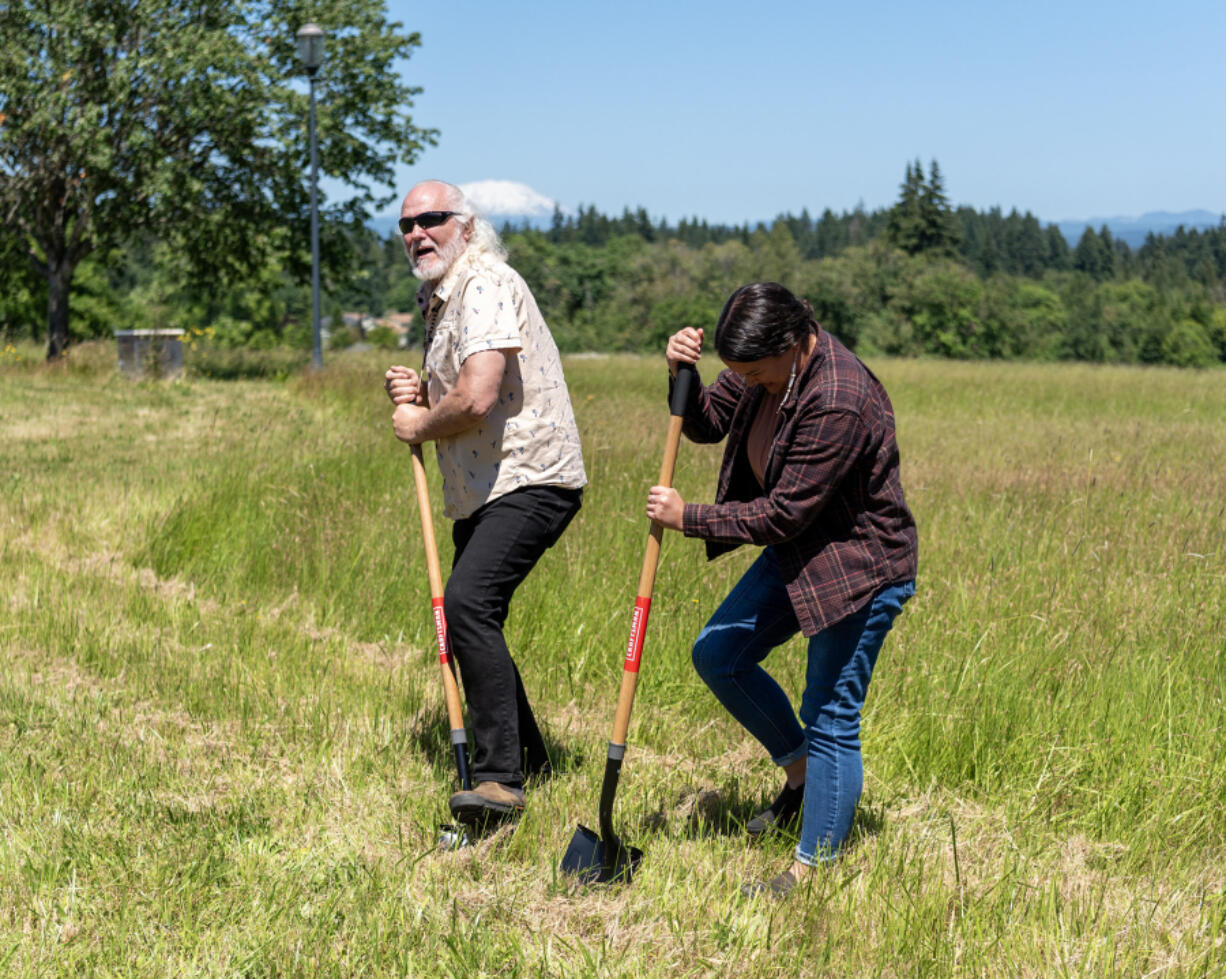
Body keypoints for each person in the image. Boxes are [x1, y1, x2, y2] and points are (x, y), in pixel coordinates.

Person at [645, 281, 917, 897]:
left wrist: (688, 517)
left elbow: (783, 514)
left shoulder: (838, 397)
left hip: (858, 567)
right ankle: (801, 778)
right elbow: (709, 424)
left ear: (794, 344)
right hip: (800, 554)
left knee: (830, 715)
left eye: (757, 375)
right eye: (737, 372)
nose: (748, 383)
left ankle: (811, 869)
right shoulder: (762, 363)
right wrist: (679, 373)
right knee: (718, 654)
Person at [385, 179, 586, 827]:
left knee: (468, 605)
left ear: (466, 225)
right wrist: (417, 388)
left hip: (530, 477)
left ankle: (501, 779)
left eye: (433, 218)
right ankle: (535, 758)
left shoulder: (485, 283)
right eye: (407, 224)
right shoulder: (443, 299)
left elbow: (476, 396)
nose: (418, 232)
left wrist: (418, 424)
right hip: (487, 486)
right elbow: (461, 384)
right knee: (476, 613)